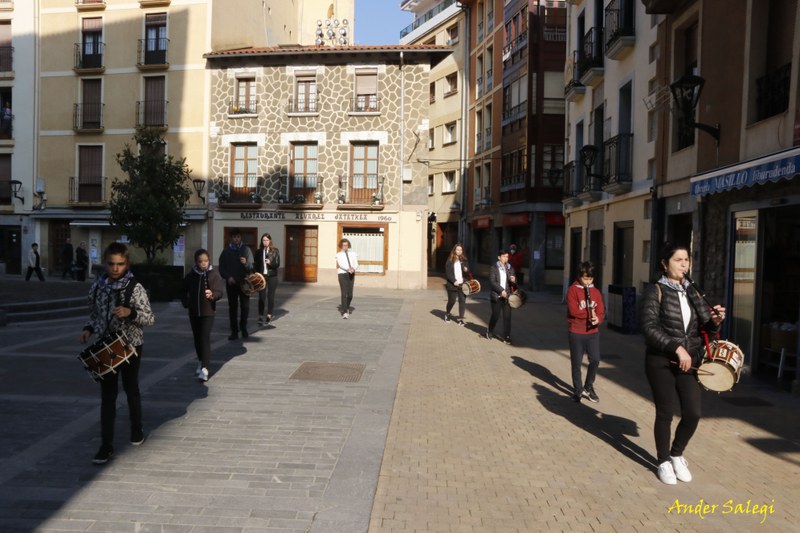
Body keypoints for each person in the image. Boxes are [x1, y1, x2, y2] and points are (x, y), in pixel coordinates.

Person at [639, 242, 725, 485]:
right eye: (678, 260)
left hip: (690, 362)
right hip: (661, 361)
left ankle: (677, 454)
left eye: (686, 260)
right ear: (665, 264)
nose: (684, 265)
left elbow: (705, 327)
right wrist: (677, 348)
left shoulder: (693, 291)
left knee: (693, 413)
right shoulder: (654, 290)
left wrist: (716, 321)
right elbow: (648, 327)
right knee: (665, 413)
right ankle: (663, 461)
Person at [80, 242, 155, 464]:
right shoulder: (97, 287)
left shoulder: (135, 288)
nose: (115, 268)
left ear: (127, 263)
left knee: (131, 389)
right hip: (105, 345)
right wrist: (88, 329)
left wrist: (130, 312)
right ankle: (106, 445)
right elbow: (94, 314)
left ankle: (136, 429)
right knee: (108, 396)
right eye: (111, 264)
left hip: (130, 345)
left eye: (120, 264)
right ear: (105, 263)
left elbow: (150, 317)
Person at [181, 249, 225, 382]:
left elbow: (219, 291)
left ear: (209, 260)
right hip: (194, 312)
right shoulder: (190, 276)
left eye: (206, 261)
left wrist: (213, 295)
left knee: (204, 338)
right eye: (200, 261)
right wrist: (186, 303)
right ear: (196, 262)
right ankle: (200, 361)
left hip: (208, 312)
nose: (203, 264)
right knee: (197, 338)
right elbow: (182, 290)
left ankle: (205, 368)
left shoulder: (213, 275)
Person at [566, 261, 605, 403]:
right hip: (576, 331)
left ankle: (588, 387)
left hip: (592, 332)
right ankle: (578, 389)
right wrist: (589, 314)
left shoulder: (596, 292)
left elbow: (601, 310)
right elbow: (574, 311)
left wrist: (598, 319)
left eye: (590, 279)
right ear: (579, 277)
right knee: (576, 362)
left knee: (595, 360)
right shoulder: (573, 290)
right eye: (585, 278)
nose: (587, 282)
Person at [218, 228, 254, 340]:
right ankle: (234, 331)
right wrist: (228, 277)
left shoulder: (246, 250)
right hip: (232, 283)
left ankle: (243, 328)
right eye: (234, 237)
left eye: (238, 237)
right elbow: (221, 268)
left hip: (245, 283)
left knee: (245, 307)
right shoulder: (226, 251)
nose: (236, 239)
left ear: (240, 237)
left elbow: (252, 267)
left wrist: (246, 263)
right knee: (232, 307)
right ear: (231, 238)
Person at [485, 249, 516, 344]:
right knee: (496, 315)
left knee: (507, 317)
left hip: (507, 296)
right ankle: (490, 331)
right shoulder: (493, 268)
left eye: (507, 256)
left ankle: (506, 337)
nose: (505, 258)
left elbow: (514, 283)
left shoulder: (510, 268)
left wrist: (514, 280)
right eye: (503, 256)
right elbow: (492, 282)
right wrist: (501, 290)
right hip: (497, 296)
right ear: (499, 257)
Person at [254, 233, 280, 326]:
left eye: (267, 240)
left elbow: (277, 264)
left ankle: (269, 315)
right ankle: (260, 316)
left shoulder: (275, 251)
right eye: (264, 240)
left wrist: (270, 262)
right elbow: (255, 265)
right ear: (262, 241)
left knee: (270, 296)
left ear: (270, 241)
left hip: (272, 276)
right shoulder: (258, 252)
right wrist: (255, 275)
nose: (265, 242)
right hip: (262, 276)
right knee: (261, 297)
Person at [444, 243, 470, 326]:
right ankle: (447, 313)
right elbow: (448, 273)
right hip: (453, 284)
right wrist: (454, 280)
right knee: (452, 301)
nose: (459, 251)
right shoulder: (450, 260)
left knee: (462, 301)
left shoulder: (464, 260)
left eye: (461, 250)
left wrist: (466, 270)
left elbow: (468, 272)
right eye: (458, 250)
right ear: (454, 250)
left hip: (462, 284)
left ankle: (461, 319)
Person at [335, 238, 359, 319]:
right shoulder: (338, 254)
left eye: (346, 245)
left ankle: (347, 307)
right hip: (342, 274)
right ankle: (345, 312)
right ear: (341, 246)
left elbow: (356, 263)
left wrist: (353, 268)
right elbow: (340, 264)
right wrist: (347, 269)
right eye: (344, 245)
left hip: (351, 274)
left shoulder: (353, 253)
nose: (345, 247)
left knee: (350, 295)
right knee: (344, 294)